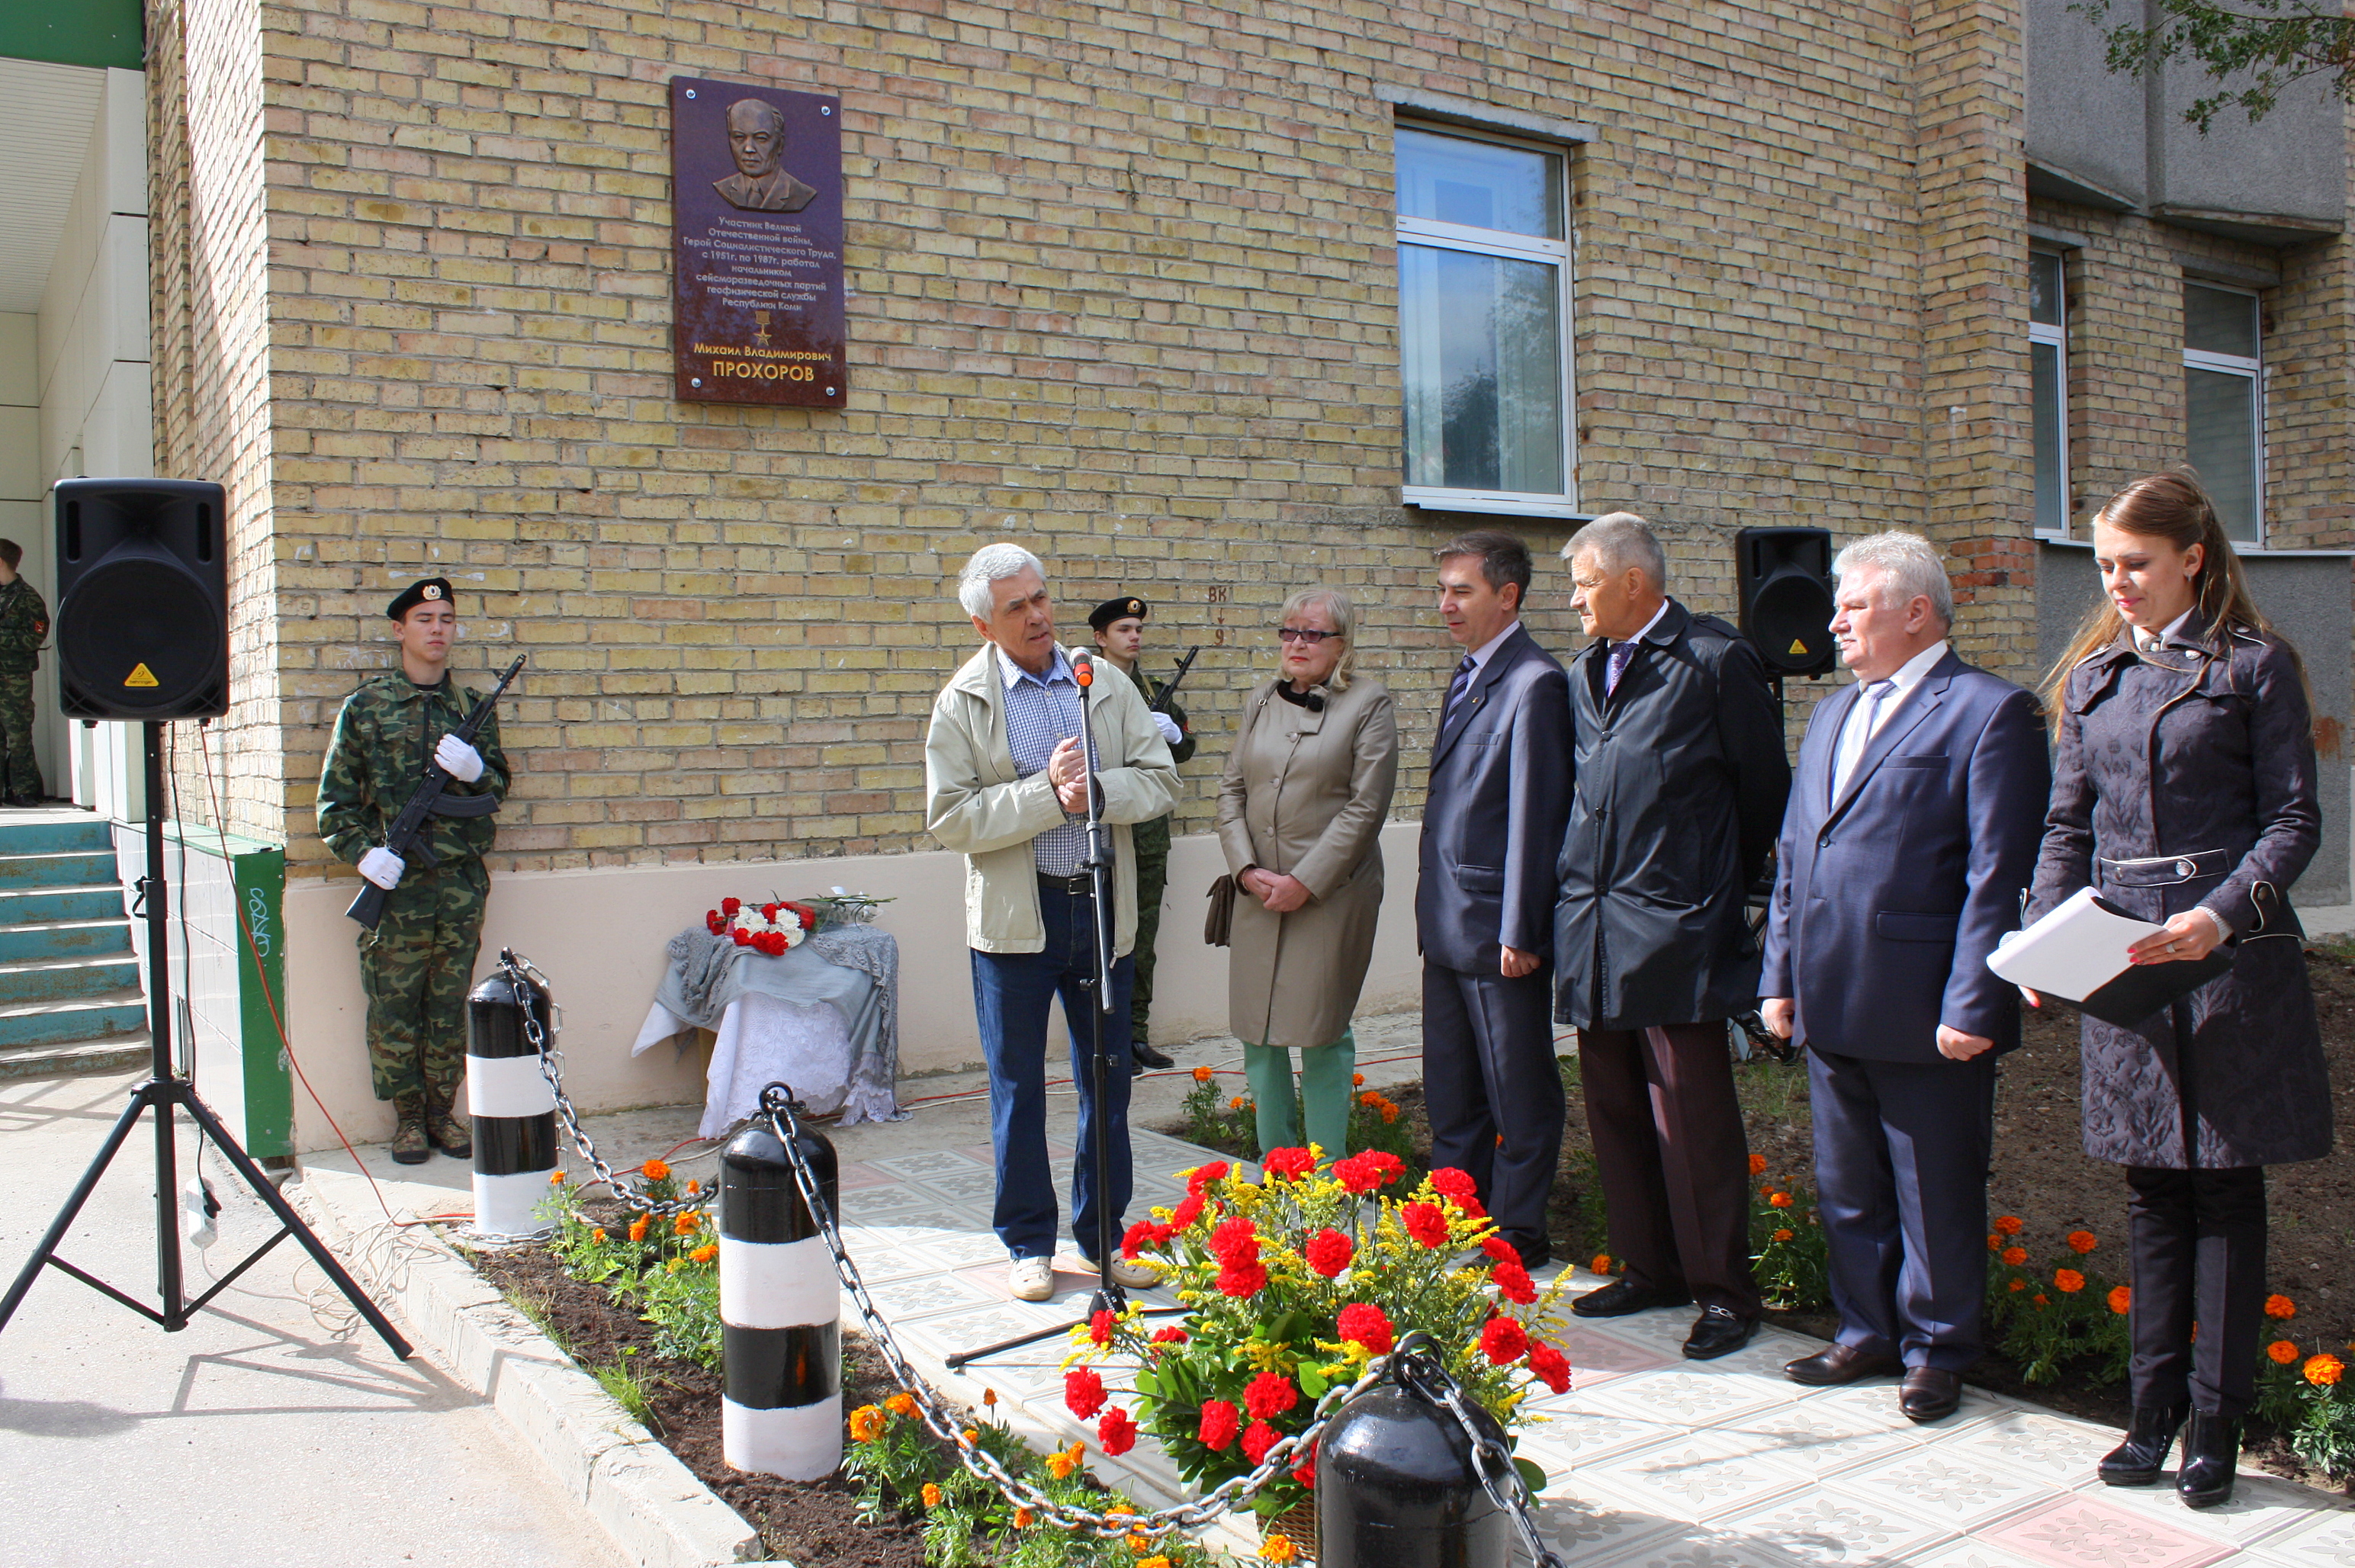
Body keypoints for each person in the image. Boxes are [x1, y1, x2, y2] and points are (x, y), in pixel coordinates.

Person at [2026, 468, 2331, 1510]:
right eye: (2106, 565)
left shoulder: (2254, 669)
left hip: (2225, 960)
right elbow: (2066, 828)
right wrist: (2043, 942)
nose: (2116, 582)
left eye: (2136, 564)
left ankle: (2216, 1423)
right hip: (2121, 961)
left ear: (2193, 558)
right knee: (2152, 1191)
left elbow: (2293, 819)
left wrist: (2225, 908)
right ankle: (2148, 1413)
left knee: (2223, 1193)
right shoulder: (2096, 678)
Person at [1759, 531, 2049, 1422]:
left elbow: (1996, 873)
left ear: (1916, 611)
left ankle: (1937, 1346)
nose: (1834, 622)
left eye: (1854, 605)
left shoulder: (1989, 713)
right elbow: (1793, 856)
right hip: (1828, 992)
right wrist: (1778, 973)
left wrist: (1976, 1000)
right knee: (1847, 1184)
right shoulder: (1831, 714)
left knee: (1934, 1186)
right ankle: (1866, 1329)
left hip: (1928, 1006)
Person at [1553, 512, 1788, 1360]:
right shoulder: (1585, 671)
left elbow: (1764, 792)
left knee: (1690, 1120)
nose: (1571, 599)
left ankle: (1723, 1291)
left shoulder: (1716, 663)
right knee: (1614, 1108)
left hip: (1679, 926)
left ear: (1631, 582)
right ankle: (1646, 1266)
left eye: (1581, 582)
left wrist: (1707, 883)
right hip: (1595, 925)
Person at [925, 544, 1180, 1303]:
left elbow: (1160, 779)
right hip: (1016, 920)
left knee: (1108, 1082)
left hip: (1099, 904)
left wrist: (1092, 788)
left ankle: (1104, 1237)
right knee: (1017, 1087)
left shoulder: (1096, 681)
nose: (1038, 614)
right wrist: (1047, 795)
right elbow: (950, 818)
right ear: (982, 624)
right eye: (1016, 607)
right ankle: (1027, 1243)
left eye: (1040, 597)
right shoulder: (963, 703)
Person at [1416, 530, 1573, 1270]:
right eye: (1442, 589)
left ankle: (1519, 1227)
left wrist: (1522, 925)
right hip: (1447, 923)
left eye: (1461, 590)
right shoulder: (1468, 675)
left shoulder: (1534, 682)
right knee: (1451, 1088)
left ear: (1507, 596)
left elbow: (1534, 815)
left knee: (1518, 1088)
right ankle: (1459, 1214)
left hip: (1497, 929)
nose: (1445, 603)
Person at [317, 578, 510, 1165]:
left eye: (447, 618)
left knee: (449, 1002)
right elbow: (335, 805)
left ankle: (441, 1113)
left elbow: (498, 788)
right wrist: (361, 854)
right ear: (400, 630)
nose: (437, 628)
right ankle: (406, 1120)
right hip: (396, 886)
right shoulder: (367, 708)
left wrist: (478, 771)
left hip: (457, 884)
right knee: (394, 1003)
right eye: (424, 618)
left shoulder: (470, 709)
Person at [1218, 587, 1399, 1159]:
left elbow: (1366, 807)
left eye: (1313, 633)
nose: (1297, 643)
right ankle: (1279, 1167)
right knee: (1258, 1032)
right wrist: (1245, 868)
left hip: (1331, 896)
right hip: (1256, 892)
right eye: (1288, 631)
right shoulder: (1261, 701)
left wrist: (1304, 881)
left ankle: (1327, 1177)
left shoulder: (1369, 703)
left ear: (1341, 644)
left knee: (1321, 1033)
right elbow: (1230, 790)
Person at [1088, 594, 1195, 1075]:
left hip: (1148, 836)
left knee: (1141, 940)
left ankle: (1136, 1036)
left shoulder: (1155, 689)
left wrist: (1173, 735)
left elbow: (1186, 748)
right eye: (1123, 630)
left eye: (1137, 629)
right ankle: (1103, 1040)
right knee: (1098, 940)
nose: (1133, 637)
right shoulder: (1082, 688)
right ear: (1100, 638)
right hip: (1101, 834)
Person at [0, 541, 48, 807]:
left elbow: (35, 636)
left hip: (13, 679)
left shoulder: (27, 597)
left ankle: (24, 790)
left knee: (18, 735)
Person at [713, 98, 818, 212]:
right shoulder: (723, 187)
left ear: (780, 143)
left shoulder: (800, 193)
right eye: (739, 137)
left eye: (761, 138)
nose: (749, 148)